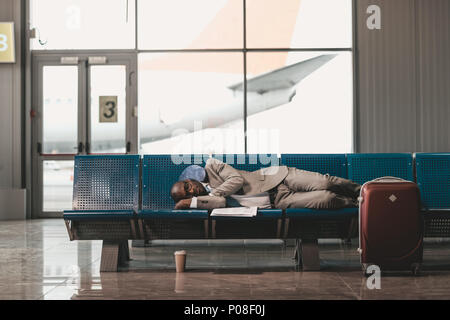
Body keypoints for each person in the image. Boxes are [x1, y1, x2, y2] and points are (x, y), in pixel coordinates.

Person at [171, 157, 361, 210]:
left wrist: (211, 194)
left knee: (324, 182)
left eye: (187, 186)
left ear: (190, 179)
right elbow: (220, 203)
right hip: (279, 200)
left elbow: (236, 180)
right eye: (187, 195)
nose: (192, 191)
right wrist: (193, 203)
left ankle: (364, 190)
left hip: (279, 178)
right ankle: (361, 205)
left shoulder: (212, 165)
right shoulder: (205, 201)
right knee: (325, 198)